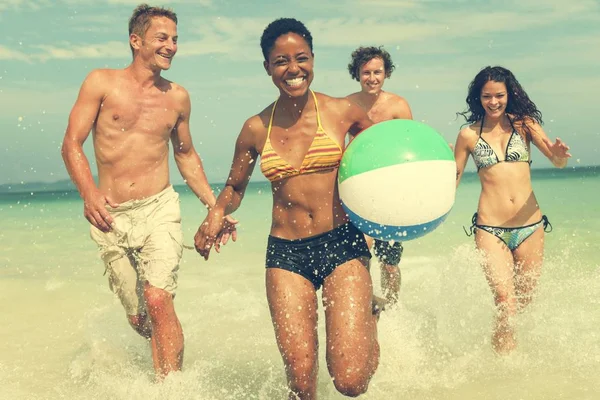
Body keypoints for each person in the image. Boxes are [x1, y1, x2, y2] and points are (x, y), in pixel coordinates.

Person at [195, 18, 379, 399]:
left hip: (342, 244)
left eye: (301, 58)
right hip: (286, 254)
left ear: (313, 59)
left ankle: (368, 318)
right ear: (267, 67)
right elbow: (234, 186)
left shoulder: (343, 112)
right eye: (281, 61)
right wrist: (213, 216)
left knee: (350, 381)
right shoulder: (255, 128)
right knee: (300, 379)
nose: (293, 69)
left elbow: (381, 161)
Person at [61, 3, 235, 377]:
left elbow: (186, 155)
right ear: (135, 40)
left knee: (158, 299)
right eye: (162, 38)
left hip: (159, 207)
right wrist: (88, 193)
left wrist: (213, 207)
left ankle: (171, 389)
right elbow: (71, 144)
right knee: (140, 317)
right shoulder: (100, 82)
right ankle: (158, 363)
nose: (171, 45)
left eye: (175, 39)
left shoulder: (177, 97)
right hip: (110, 215)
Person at [453, 66, 571, 354]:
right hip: (490, 229)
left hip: (530, 227)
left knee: (525, 303)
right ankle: (503, 368)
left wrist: (557, 157)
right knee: (506, 303)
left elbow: (557, 161)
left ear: (509, 94)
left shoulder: (525, 125)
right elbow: (453, 178)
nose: (494, 102)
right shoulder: (468, 134)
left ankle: (518, 365)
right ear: (477, 97)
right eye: (487, 96)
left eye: (499, 96)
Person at [346, 46, 413, 307]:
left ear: (386, 74)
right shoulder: (347, 105)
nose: (372, 78)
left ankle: (392, 307)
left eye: (377, 72)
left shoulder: (398, 105)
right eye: (366, 72)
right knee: (361, 252)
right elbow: (339, 145)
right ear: (357, 74)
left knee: (390, 263)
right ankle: (364, 304)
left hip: (391, 190)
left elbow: (411, 146)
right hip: (360, 187)